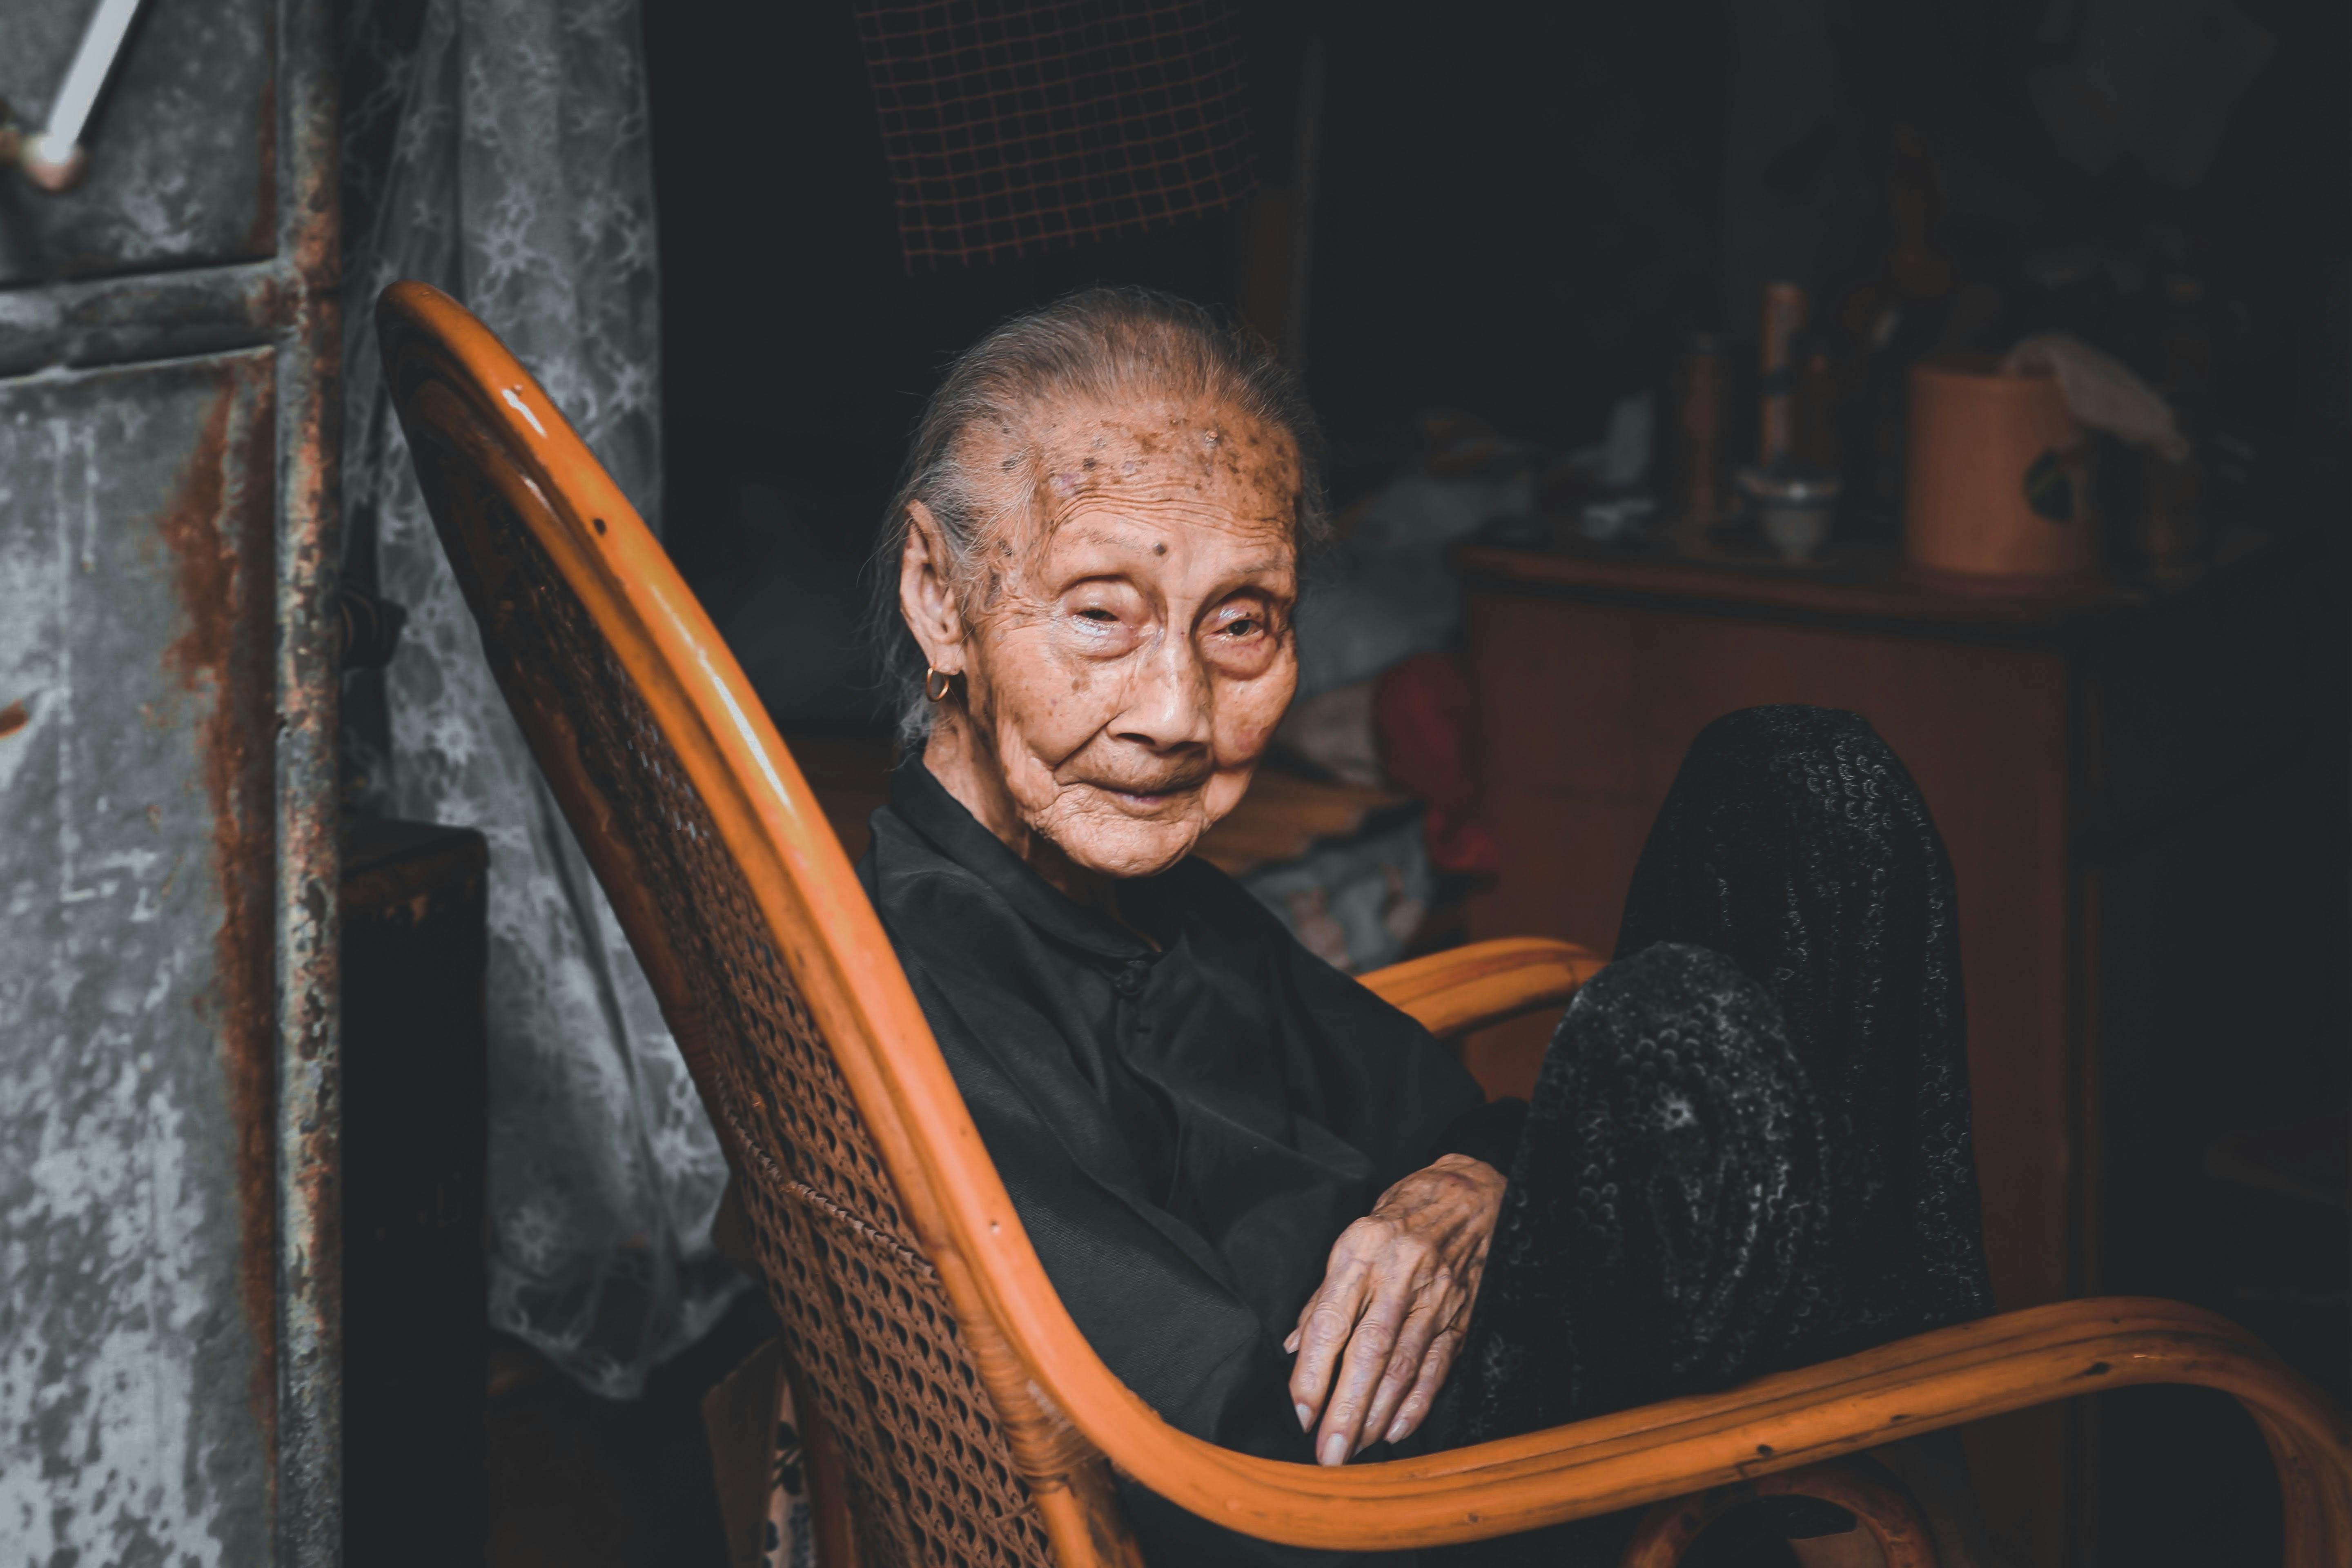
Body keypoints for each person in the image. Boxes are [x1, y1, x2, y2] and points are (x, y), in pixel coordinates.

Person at [855, 287, 1995, 1567]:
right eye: (1098, 615)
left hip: (1476, 1397)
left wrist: (1466, 1193)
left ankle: (1867, 1459)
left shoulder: (1141, 895)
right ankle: (1866, 1494)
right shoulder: (929, 982)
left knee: (1799, 782)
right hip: (1395, 1507)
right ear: (939, 597)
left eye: (1241, 623)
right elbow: (1217, 1465)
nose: (1177, 711)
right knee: (1675, 1036)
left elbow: (1457, 1125)